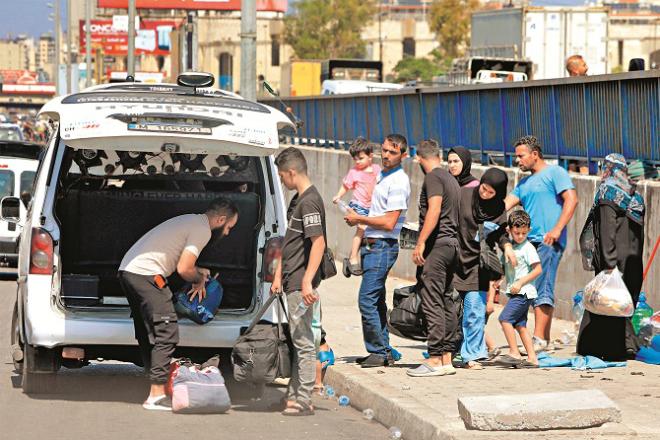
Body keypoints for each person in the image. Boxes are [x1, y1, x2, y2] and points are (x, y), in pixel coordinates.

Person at [118, 198, 239, 410]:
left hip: (129, 271)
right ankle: (156, 395)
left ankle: (155, 382)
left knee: (148, 330)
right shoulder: (203, 230)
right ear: (220, 219)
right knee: (167, 331)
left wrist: (199, 271)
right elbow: (184, 269)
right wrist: (198, 279)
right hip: (146, 274)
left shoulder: (191, 221)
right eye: (229, 227)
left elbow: (182, 262)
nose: (228, 233)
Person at [505, 135, 578, 352]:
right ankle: (543, 339)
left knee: (542, 287)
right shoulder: (524, 183)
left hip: (548, 241)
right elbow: (505, 205)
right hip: (529, 242)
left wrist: (556, 229)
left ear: (534, 154)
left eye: (521, 156)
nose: (517, 160)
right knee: (533, 286)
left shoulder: (555, 173)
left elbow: (572, 200)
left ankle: (537, 339)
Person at [345, 134, 411, 368]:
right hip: (372, 245)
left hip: (383, 247)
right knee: (377, 300)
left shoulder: (399, 182)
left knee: (367, 299)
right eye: (384, 150)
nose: (385, 155)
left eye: (392, 152)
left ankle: (378, 351)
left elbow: (389, 222)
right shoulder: (382, 175)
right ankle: (383, 350)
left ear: (403, 155)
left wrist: (358, 218)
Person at [272, 147, 326, 416]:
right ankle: (293, 395)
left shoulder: (310, 202)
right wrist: (279, 274)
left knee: (303, 342)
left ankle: (303, 400)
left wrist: (306, 281)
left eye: (282, 176)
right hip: (290, 280)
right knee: (297, 340)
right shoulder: (299, 200)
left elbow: (318, 243)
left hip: (300, 284)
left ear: (292, 172)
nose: (282, 181)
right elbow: (289, 242)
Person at [577, 154, 645, 361]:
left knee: (606, 304)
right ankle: (626, 347)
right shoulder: (635, 196)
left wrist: (609, 266)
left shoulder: (608, 191)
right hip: (633, 259)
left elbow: (607, 231)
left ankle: (607, 349)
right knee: (621, 305)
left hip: (613, 259)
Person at [405, 139, 461, 377]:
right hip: (453, 246)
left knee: (432, 300)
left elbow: (435, 209)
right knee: (446, 300)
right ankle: (447, 357)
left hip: (438, 247)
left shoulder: (433, 178)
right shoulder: (451, 179)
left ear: (419, 159)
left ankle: (436, 358)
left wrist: (421, 242)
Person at [453, 168, 514, 370]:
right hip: (454, 260)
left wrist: (507, 248)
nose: (485, 194)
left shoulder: (498, 210)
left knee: (474, 311)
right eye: (484, 189)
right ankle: (447, 350)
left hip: (478, 266)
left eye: (491, 192)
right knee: (450, 310)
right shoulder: (463, 195)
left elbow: (501, 234)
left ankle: (472, 355)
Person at [496, 210, 542, 368]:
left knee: (504, 319)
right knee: (520, 325)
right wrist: (499, 280)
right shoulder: (511, 248)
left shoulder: (528, 248)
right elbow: (506, 269)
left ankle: (514, 352)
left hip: (524, 293)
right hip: (516, 292)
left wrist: (520, 282)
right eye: (517, 233)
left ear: (529, 230)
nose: (520, 236)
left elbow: (537, 270)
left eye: (524, 233)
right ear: (509, 230)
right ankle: (532, 358)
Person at [333, 137, 381, 277]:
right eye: (355, 159)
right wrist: (338, 196)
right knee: (361, 230)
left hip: (371, 207)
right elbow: (346, 186)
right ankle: (354, 258)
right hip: (358, 206)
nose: (358, 161)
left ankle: (348, 261)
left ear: (370, 156)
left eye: (361, 158)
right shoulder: (354, 172)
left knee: (366, 233)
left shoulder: (377, 170)